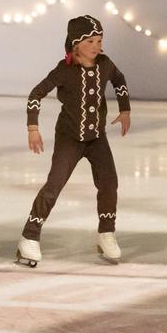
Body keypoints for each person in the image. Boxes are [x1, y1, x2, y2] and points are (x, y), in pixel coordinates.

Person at [16, 15, 131, 266]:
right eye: (90, 41)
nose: (96, 46)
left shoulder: (105, 64)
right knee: (54, 185)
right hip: (69, 138)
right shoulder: (64, 70)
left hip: (97, 138)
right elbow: (36, 94)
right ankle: (29, 236)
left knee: (109, 182)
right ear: (76, 44)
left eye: (99, 40)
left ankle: (106, 233)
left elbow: (119, 80)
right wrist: (33, 127)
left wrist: (125, 109)